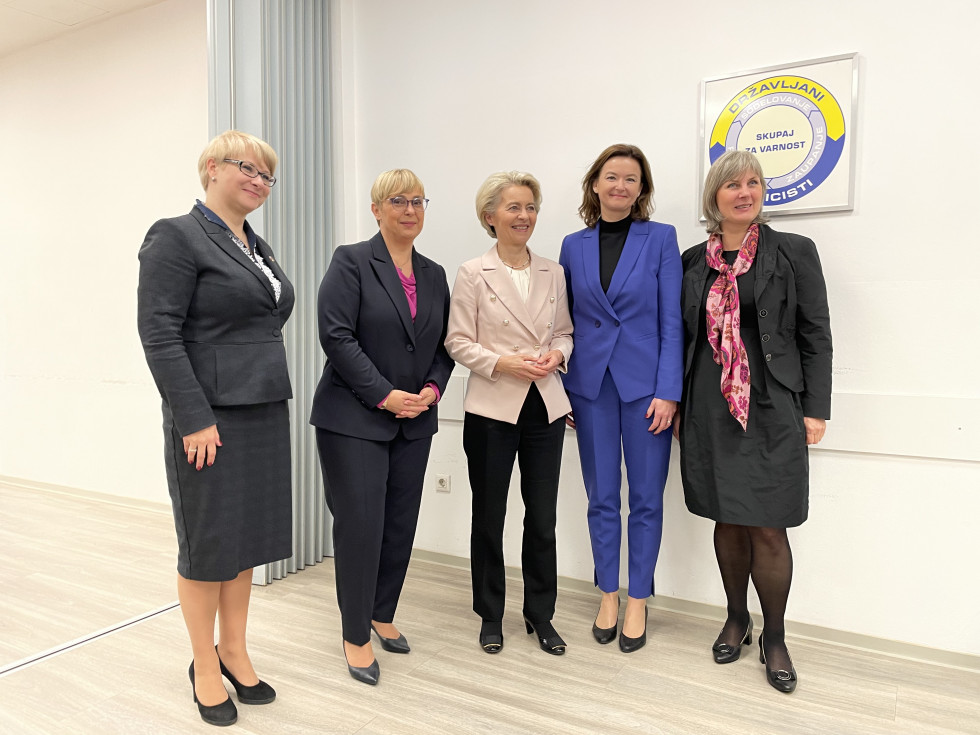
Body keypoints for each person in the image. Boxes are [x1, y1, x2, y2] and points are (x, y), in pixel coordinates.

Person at [137, 130, 293, 727]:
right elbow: (159, 334)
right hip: (210, 417)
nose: (258, 180)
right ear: (210, 169)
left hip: (260, 407)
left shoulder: (254, 244)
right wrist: (193, 417)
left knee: (246, 539)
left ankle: (235, 648)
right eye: (245, 167)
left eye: (266, 175)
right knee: (207, 544)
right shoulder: (175, 236)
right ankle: (204, 663)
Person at [677, 150, 832, 693]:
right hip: (710, 405)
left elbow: (816, 333)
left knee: (769, 523)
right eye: (733, 185)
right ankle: (736, 618)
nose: (745, 192)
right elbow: (682, 339)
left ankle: (775, 636)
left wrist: (817, 407)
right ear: (714, 197)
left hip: (772, 405)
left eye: (754, 183)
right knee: (728, 518)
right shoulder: (692, 260)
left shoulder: (793, 252)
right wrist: (674, 402)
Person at [310, 169, 454, 686]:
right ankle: (355, 635)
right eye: (398, 200)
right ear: (377, 208)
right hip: (354, 418)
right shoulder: (352, 261)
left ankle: (382, 611)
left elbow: (442, 347)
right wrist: (384, 394)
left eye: (418, 200)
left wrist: (433, 391)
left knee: (399, 525)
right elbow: (336, 335)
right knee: (361, 527)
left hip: (415, 420)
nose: (410, 209)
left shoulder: (435, 274)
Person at [559, 143, 683, 653]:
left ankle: (638, 600)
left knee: (647, 499)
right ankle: (608, 593)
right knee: (601, 497)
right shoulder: (572, 244)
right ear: (595, 184)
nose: (621, 186)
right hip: (590, 389)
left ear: (642, 189)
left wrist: (669, 392)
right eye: (612, 177)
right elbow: (561, 320)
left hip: (646, 390)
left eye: (631, 179)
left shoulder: (661, 239)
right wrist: (563, 388)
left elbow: (673, 321)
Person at [445, 172, 574, 656]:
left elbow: (564, 332)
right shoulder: (472, 272)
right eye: (514, 208)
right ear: (490, 217)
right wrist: (503, 362)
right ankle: (490, 614)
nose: (524, 217)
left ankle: (541, 614)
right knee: (489, 514)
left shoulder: (553, 271)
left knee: (542, 518)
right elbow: (457, 341)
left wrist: (556, 356)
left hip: (545, 405)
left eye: (531, 207)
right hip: (492, 406)